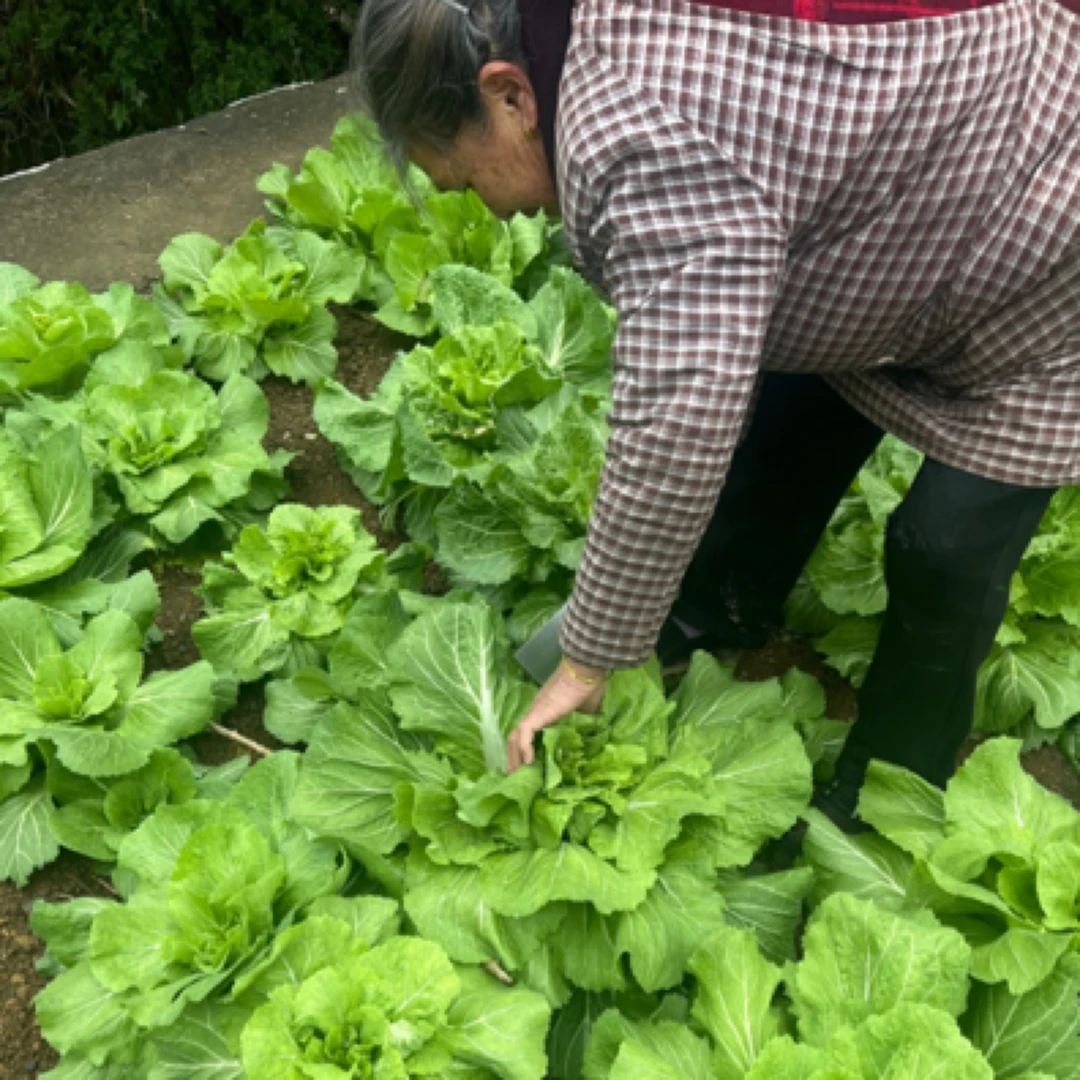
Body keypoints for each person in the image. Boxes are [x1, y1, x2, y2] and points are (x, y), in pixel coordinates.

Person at [351, 0, 1080, 831]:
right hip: (922, 195)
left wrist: (589, 660)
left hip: (1049, 216)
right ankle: (715, 604)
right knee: (788, 410)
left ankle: (890, 789)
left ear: (510, 95)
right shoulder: (577, 35)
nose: (487, 209)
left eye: (462, 178)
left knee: (945, 549)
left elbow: (678, 421)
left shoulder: (636, 136)